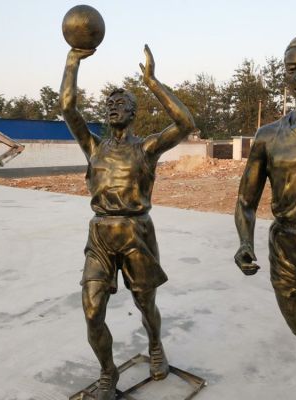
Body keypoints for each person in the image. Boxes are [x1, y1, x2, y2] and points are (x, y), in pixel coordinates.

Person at [60, 44, 196, 399]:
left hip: (137, 233)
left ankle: (155, 345)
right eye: (109, 103)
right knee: (92, 311)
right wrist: (73, 60)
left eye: (120, 103)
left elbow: (185, 123)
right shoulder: (94, 147)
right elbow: (67, 108)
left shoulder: (146, 148)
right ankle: (108, 371)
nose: (112, 107)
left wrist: (152, 82)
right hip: (101, 235)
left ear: (133, 112)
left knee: (145, 304)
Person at [234, 31, 296, 399]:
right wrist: (244, 242)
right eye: (292, 69)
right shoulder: (268, 136)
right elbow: (246, 200)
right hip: (287, 249)